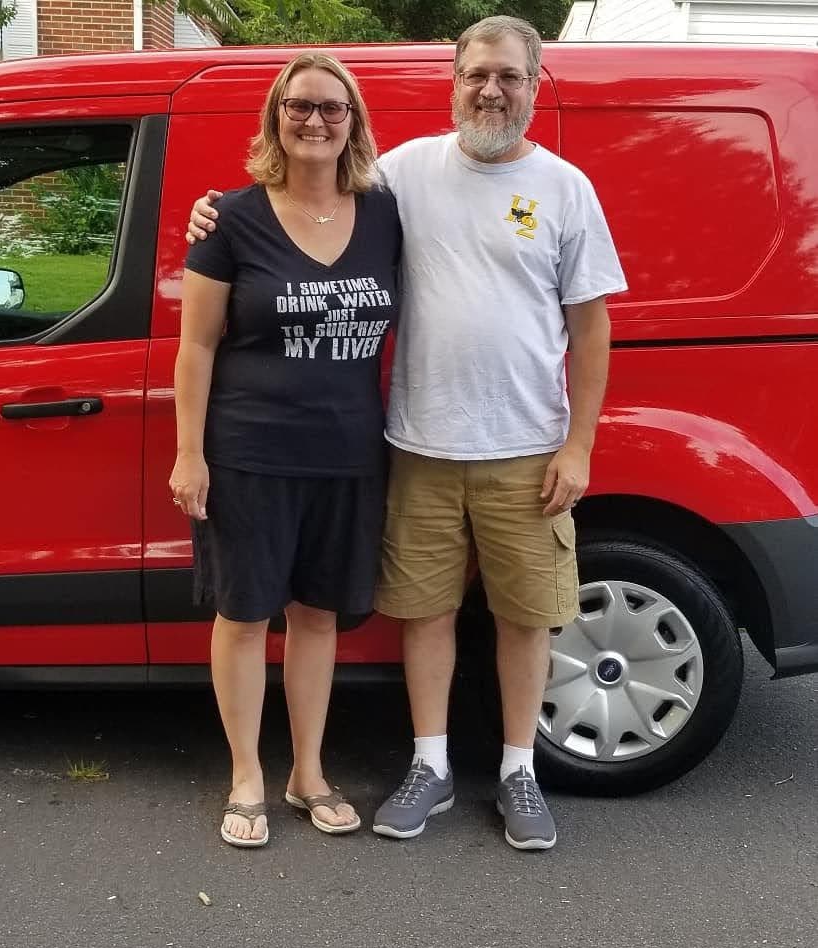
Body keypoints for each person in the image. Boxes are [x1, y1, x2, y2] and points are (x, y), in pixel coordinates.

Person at [187, 16, 626, 851]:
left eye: (508, 76)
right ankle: (430, 765)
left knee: (524, 615)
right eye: (475, 75)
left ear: (536, 85)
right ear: (452, 81)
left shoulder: (567, 187)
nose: (490, 90)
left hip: (527, 444)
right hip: (418, 442)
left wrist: (580, 446)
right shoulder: (403, 174)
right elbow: (303, 192)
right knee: (424, 613)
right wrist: (211, 212)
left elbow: (593, 323)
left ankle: (518, 771)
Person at [171, 52, 401, 847]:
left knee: (318, 616)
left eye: (332, 108)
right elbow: (195, 347)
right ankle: (246, 777)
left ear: (353, 123)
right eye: (299, 106)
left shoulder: (385, 215)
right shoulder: (231, 218)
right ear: (275, 117)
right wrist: (188, 453)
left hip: (349, 454)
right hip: (249, 453)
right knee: (243, 615)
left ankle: (308, 772)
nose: (315, 120)